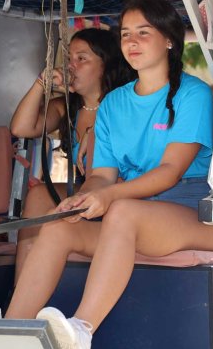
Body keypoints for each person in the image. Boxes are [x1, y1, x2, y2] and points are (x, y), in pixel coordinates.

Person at [5, 0, 213, 349]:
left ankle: (81, 331)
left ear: (169, 40)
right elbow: (102, 176)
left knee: (123, 210)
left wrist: (107, 196)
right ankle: (11, 333)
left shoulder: (191, 94)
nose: (132, 42)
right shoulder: (112, 104)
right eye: (126, 34)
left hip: (193, 215)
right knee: (59, 226)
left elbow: (169, 172)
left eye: (144, 32)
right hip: (131, 214)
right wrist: (82, 199)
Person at [9, 28, 134, 279]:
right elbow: (21, 127)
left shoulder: (124, 105)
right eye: (69, 59)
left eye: (81, 58)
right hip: (86, 189)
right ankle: (21, 286)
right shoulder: (67, 107)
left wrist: (94, 132)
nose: (71, 67)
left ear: (106, 65)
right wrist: (41, 82)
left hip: (122, 190)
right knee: (38, 195)